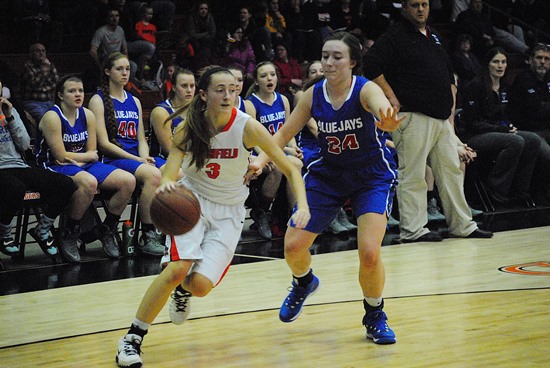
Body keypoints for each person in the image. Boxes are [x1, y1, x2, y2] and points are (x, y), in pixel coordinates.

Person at [114, 66, 310, 367]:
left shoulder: (247, 126)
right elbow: (171, 167)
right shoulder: (190, 126)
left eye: (233, 89)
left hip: (230, 212)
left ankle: (183, 293)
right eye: (220, 89)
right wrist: (167, 182)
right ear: (203, 94)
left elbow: (290, 167)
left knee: (200, 286)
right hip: (192, 202)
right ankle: (131, 339)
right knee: (177, 268)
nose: (228, 95)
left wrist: (303, 207)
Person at [249, 31, 402, 344]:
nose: (329, 62)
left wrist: (384, 118)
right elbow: (281, 134)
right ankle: (303, 282)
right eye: (325, 56)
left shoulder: (364, 88)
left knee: (370, 252)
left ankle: (375, 314)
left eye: (337, 57)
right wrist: (261, 160)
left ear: (353, 62)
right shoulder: (313, 94)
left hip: (370, 176)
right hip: (328, 175)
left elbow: (378, 104)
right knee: (292, 246)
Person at [363, 0, 493, 243]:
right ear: (404, 9)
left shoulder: (433, 36)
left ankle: (462, 225)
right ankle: (413, 230)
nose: (420, 9)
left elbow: (447, 70)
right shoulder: (395, 35)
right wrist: (390, 96)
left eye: (424, 4)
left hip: (441, 118)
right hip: (413, 116)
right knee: (413, 174)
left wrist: (450, 98)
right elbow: (370, 64)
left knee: (452, 172)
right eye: (414, 5)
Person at [36, 74, 137, 262]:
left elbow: (93, 153)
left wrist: (81, 160)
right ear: (60, 95)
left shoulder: (87, 114)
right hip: (52, 166)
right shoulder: (52, 116)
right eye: (72, 91)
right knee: (88, 183)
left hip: (79, 164)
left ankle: (106, 229)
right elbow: (59, 156)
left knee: (128, 181)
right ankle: (69, 233)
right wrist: (84, 158)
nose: (78, 94)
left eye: (80, 90)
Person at [88, 52, 164, 257]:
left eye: (127, 69)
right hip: (115, 159)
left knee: (178, 173)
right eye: (119, 69)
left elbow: (141, 139)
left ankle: (173, 228)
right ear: (107, 71)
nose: (124, 73)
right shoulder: (98, 100)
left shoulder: (135, 101)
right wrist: (138, 160)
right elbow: (103, 144)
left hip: (136, 158)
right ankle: (148, 236)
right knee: (153, 175)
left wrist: (145, 156)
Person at [0, 78, 77, 259]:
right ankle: (4, 234)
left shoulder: (9, 111)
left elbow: (25, 144)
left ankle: (42, 229)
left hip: (18, 165)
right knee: (15, 188)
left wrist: (10, 117)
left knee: (66, 184)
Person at [294, 60, 356, 234]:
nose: (318, 74)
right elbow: (314, 128)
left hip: (329, 143)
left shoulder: (335, 93)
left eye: (321, 71)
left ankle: (348, 211)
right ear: (308, 76)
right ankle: (332, 214)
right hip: (310, 144)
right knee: (332, 162)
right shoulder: (304, 94)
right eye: (313, 72)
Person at [245, 61, 303, 239]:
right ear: (256, 81)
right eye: (264, 76)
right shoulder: (251, 104)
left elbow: (288, 130)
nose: (269, 79)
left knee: (296, 162)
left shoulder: (283, 99)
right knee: (281, 167)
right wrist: (272, 154)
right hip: (261, 152)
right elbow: (253, 139)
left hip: (282, 150)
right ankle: (262, 211)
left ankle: (294, 215)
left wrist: (293, 146)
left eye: (272, 74)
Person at [508, 43, 550, 205]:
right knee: (547, 155)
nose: (542, 62)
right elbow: (535, 111)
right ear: (531, 60)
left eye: (546, 59)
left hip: (545, 128)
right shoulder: (523, 79)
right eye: (539, 58)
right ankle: (541, 197)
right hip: (528, 131)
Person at [149, 68, 196, 171]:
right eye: (184, 86)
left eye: (192, 86)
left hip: (189, 160)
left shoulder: (197, 112)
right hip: (162, 159)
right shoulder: (162, 112)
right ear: (174, 88)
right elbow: (169, 149)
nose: (189, 90)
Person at [20, 43, 58, 123]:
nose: (41, 53)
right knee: (46, 119)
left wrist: (42, 87)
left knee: (60, 118)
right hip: (32, 103)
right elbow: (34, 84)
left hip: (50, 102)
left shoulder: (50, 65)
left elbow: (56, 82)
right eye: (38, 51)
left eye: (43, 51)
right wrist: (44, 71)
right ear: (31, 54)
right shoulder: (27, 67)